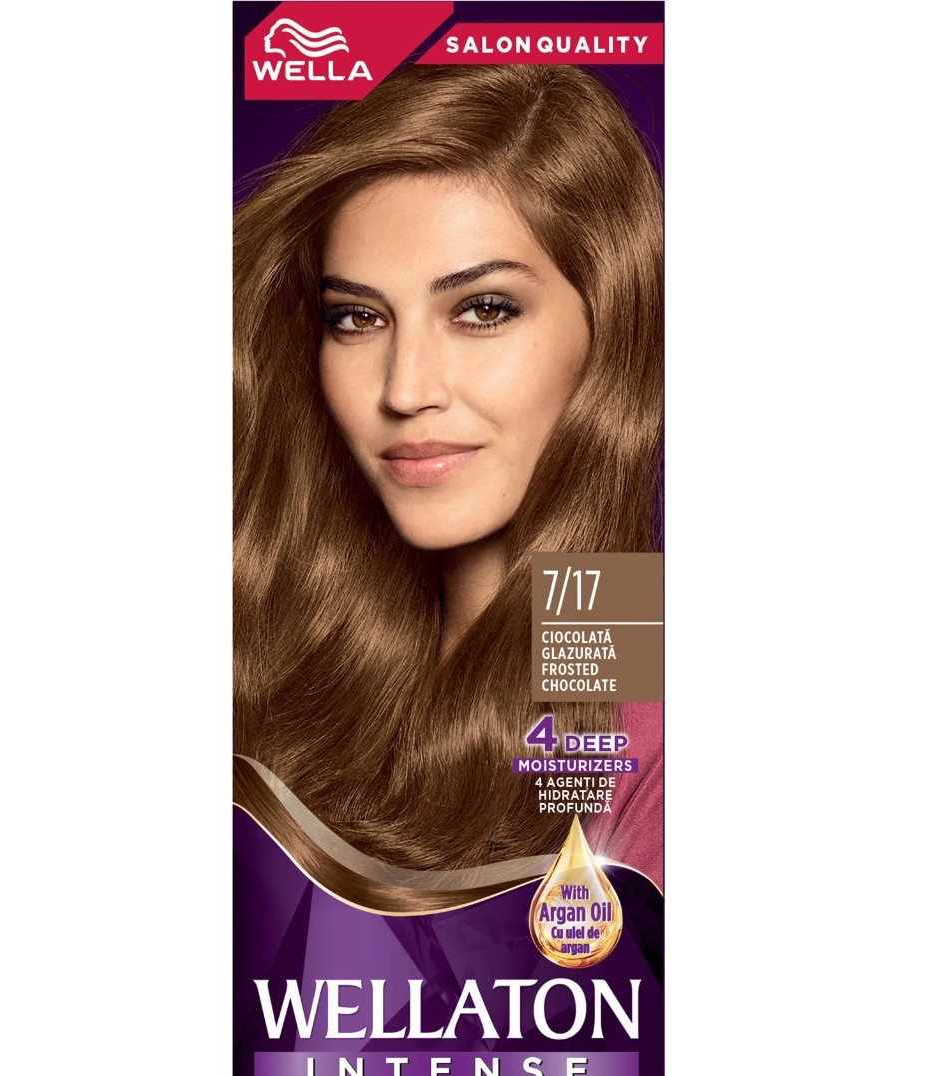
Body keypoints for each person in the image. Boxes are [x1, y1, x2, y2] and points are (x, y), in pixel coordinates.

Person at [233, 64, 663, 906]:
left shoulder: (649, 712)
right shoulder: (275, 641)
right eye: (357, 317)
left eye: (483, 310)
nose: (405, 390)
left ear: (609, 327)